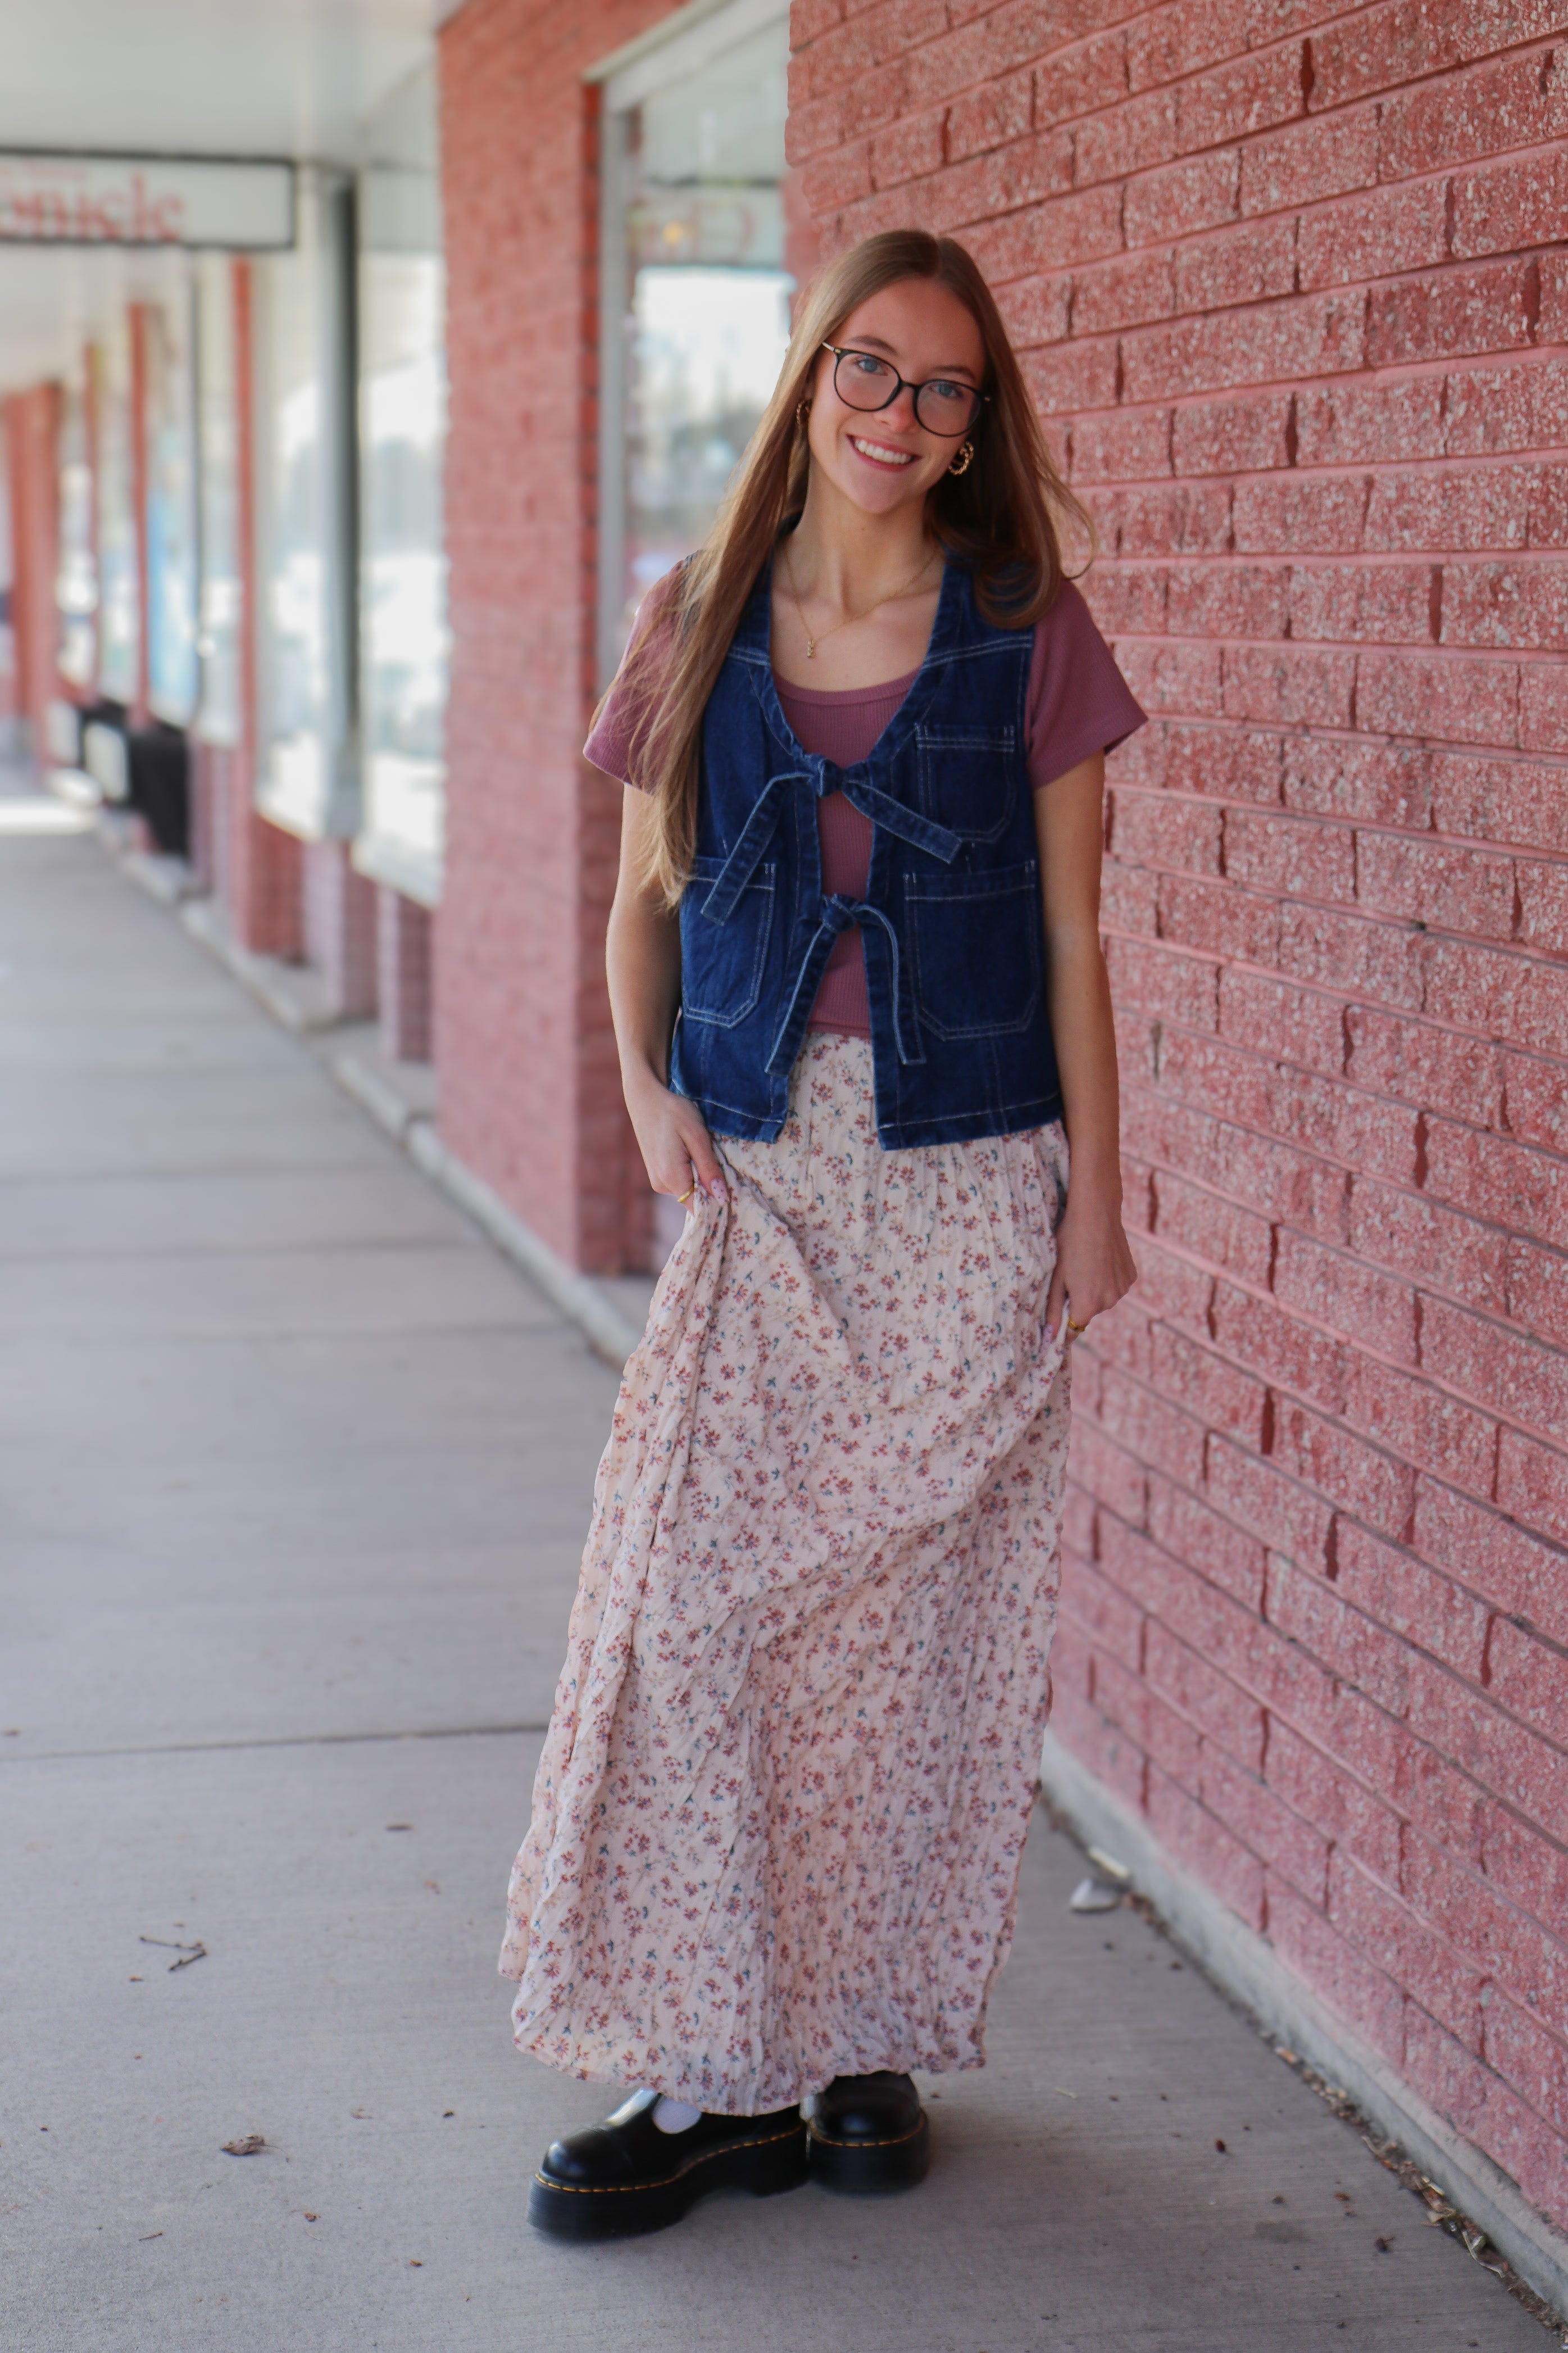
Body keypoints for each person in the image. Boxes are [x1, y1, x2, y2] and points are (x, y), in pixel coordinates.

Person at [500, 227, 1144, 2242]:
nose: (897, 412)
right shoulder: (692, 614)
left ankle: (861, 2052)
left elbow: (1074, 938)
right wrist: (640, 1087)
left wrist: (1101, 1203)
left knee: (914, 1642)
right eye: (868, 366)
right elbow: (642, 899)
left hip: (969, 1177)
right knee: (691, 1611)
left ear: (973, 425)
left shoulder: (1030, 628)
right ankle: (713, 2067)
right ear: (811, 374)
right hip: (764, 1175)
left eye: (941, 387)